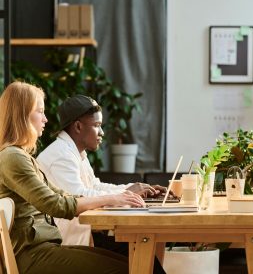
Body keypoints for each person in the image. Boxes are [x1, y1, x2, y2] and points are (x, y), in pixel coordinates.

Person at [0, 81, 146, 274]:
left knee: (135, 264)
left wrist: (119, 195)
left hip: (43, 249)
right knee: (131, 269)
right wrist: (112, 198)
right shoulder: (12, 157)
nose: (45, 119)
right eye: (40, 112)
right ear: (22, 115)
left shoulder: (20, 156)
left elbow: (61, 194)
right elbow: (55, 204)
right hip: (33, 256)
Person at [36, 94, 168, 248]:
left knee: (143, 251)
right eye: (97, 125)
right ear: (78, 126)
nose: (102, 132)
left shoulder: (73, 151)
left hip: (85, 234)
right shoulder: (61, 156)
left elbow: (94, 186)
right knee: (138, 253)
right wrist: (125, 195)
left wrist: (136, 189)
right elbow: (80, 197)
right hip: (68, 243)